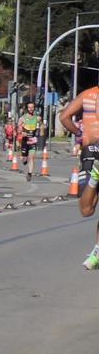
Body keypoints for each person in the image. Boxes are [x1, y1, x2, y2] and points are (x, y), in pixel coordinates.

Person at [58, 81, 99, 269]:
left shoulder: (87, 95)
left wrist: (79, 134)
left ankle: (98, 251)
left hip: (90, 151)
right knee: (87, 210)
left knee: (86, 210)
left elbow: (64, 117)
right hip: (92, 152)